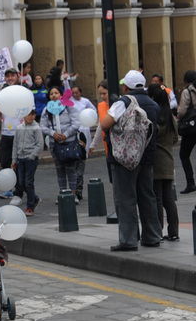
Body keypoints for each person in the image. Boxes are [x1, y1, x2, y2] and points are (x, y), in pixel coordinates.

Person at [100, 70, 162, 252]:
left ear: (126, 86)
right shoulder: (153, 104)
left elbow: (105, 124)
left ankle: (128, 239)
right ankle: (152, 236)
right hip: (147, 155)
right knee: (147, 196)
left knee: (125, 197)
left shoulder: (123, 101)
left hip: (124, 157)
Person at [147, 84, 181, 242]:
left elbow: (150, 137)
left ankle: (157, 230)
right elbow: (175, 139)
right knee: (169, 199)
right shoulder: (171, 116)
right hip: (168, 160)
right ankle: (174, 231)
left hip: (156, 161)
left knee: (157, 199)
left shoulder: (155, 115)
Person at [40, 86, 85, 202]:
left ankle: (73, 194)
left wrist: (66, 134)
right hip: (54, 144)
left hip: (69, 143)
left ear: (61, 95)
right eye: (51, 94)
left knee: (71, 169)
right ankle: (63, 193)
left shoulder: (68, 107)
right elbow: (43, 126)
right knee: (59, 169)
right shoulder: (46, 110)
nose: (54, 95)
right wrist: (53, 133)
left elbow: (76, 123)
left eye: (56, 93)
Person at [0, 68, 21, 184]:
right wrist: (1, 101)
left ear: (17, 77)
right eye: (7, 76)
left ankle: (19, 189)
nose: (10, 78)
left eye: (12, 76)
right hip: (6, 133)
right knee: (4, 161)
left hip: (19, 133)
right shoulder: (0, 93)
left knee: (19, 163)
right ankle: (9, 187)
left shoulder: (22, 91)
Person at [14, 110, 44, 216]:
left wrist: (32, 156)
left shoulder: (36, 128)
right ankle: (34, 198)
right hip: (20, 159)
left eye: (32, 115)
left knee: (28, 182)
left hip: (31, 159)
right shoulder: (19, 128)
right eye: (27, 115)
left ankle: (30, 206)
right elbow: (15, 144)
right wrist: (14, 159)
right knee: (21, 183)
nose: (30, 117)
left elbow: (40, 144)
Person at [178, 70, 196, 194]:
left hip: (191, 128)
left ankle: (191, 183)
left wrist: (178, 116)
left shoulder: (187, 91)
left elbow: (182, 110)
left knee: (184, 155)